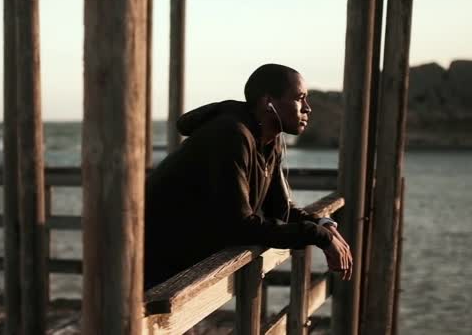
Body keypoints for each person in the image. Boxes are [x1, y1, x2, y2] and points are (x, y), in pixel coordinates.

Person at [144, 64, 352, 290]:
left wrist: (323, 224)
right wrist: (318, 236)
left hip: (175, 266)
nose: (307, 108)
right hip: (148, 265)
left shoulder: (267, 141)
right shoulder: (230, 135)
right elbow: (239, 226)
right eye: (299, 98)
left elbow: (279, 209)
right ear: (268, 103)